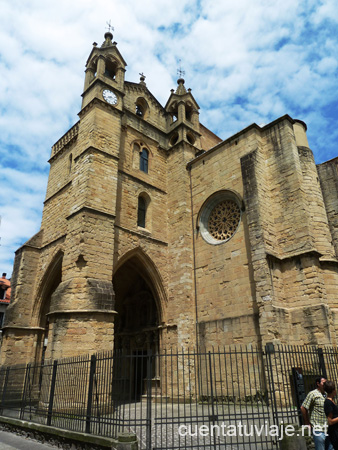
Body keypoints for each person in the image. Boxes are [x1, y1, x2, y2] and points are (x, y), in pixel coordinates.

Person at [301, 376, 333, 450]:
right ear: (318, 383)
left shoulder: (327, 394)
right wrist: (307, 422)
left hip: (328, 428)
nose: (326, 384)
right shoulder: (313, 394)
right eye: (324, 383)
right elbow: (303, 407)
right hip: (318, 429)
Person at [324, 381, 338, 449]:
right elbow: (330, 421)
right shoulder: (328, 403)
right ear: (333, 390)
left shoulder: (332, 401)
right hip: (334, 433)